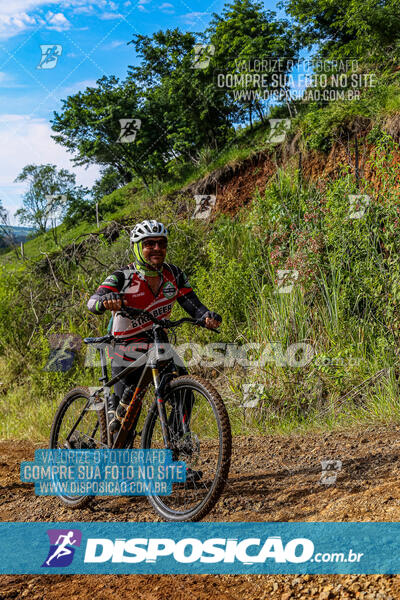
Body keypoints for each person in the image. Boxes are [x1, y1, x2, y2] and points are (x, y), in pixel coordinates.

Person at [87, 219, 222, 433]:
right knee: (125, 423)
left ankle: (177, 448)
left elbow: (192, 304)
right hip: (125, 348)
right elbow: (92, 302)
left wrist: (205, 316)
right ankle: (113, 410)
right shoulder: (123, 277)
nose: (157, 248)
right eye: (150, 243)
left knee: (184, 393)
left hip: (158, 344)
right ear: (137, 248)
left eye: (162, 243)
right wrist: (106, 301)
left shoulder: (173, 275)